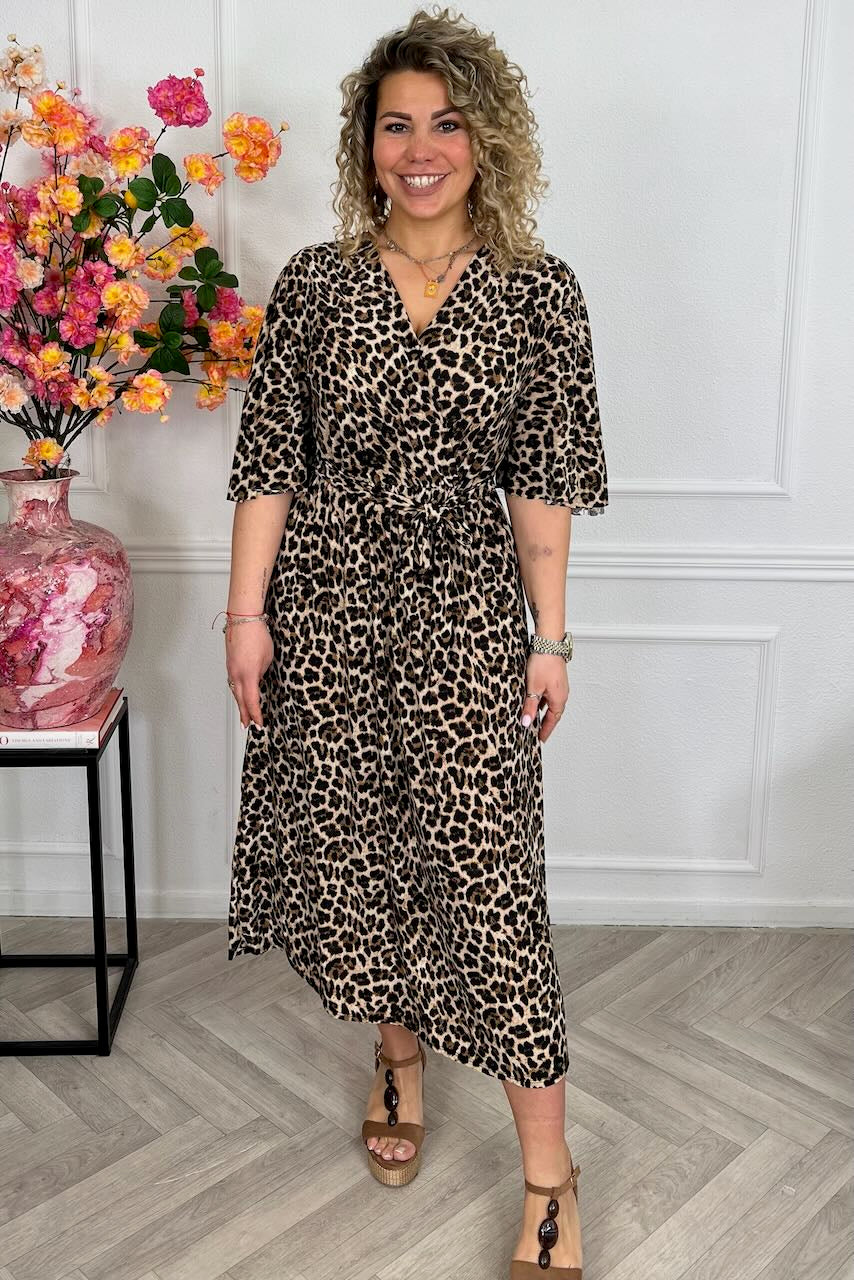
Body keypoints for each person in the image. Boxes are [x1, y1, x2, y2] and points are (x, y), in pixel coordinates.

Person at [221, 8, 607, 1277]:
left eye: (446, 122)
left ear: (485, 139)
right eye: (396, 125)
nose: (421, 148)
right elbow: (270, 466)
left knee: (490, 886)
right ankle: (396, 1057)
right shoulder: (316, 285)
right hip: (326, 614)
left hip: (465, 624)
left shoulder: (538, 292)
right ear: (365, 144)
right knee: (360, 856)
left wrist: (549, 639)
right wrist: (246, 616)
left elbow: (541, 482)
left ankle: (547, 1169)